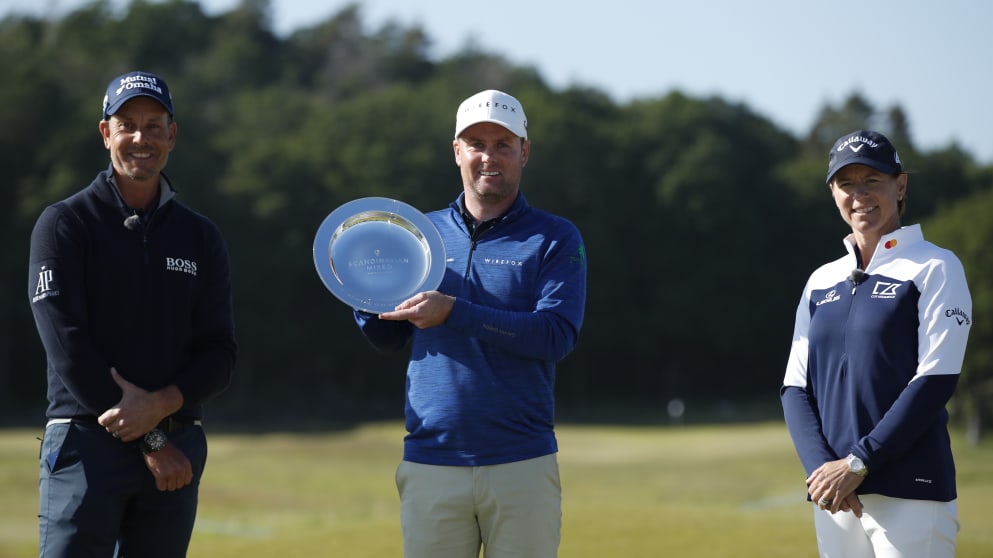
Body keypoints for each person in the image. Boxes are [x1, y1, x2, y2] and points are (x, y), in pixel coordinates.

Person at [352, 89, 587, 557]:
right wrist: (364, 295)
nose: (488, 157)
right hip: (432, 460)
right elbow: (388, 337)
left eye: (503, 145)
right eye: (476, 144)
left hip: (521, 461)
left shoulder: (555, 237)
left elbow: (555, 335)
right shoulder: (418, 235)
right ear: (456, 151)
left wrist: (455, 311)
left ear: (524, 151)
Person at [28, 70, 237, 557]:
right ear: (106, 134)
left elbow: (220, 355)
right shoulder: (64, 224)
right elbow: (67, 347)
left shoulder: (200, 236)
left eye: (153, 125)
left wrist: (161, 410)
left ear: (172, 135)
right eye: (127, 125)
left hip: (178, 450)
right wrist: (152, 442)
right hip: (86, 441)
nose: (141, 138)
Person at [781, 130, 972, 557]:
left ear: (899, 186)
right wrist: (823, 471)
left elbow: (935, 381)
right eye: (846, 183)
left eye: (872, 180)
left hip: (912, 493)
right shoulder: (820, 280)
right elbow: (795, 387)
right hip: (837, 497)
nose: (859, 195)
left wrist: (858, 463)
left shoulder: (936, 266)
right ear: (833, 193)